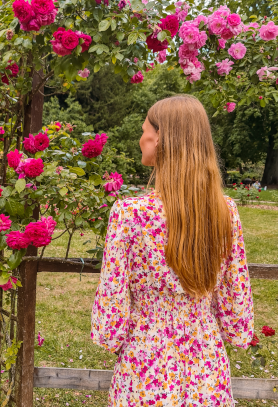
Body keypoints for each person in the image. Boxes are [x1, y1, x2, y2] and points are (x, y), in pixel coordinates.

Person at [91, 95, 254, 407]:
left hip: (145, 362)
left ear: (161, 138)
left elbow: (113, 294)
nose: (141, 138)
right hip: (205, 364)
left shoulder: (130, 212)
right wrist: (236, 329)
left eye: (145, 131)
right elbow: (235, 294)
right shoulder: (224, 210)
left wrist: (110, 334)